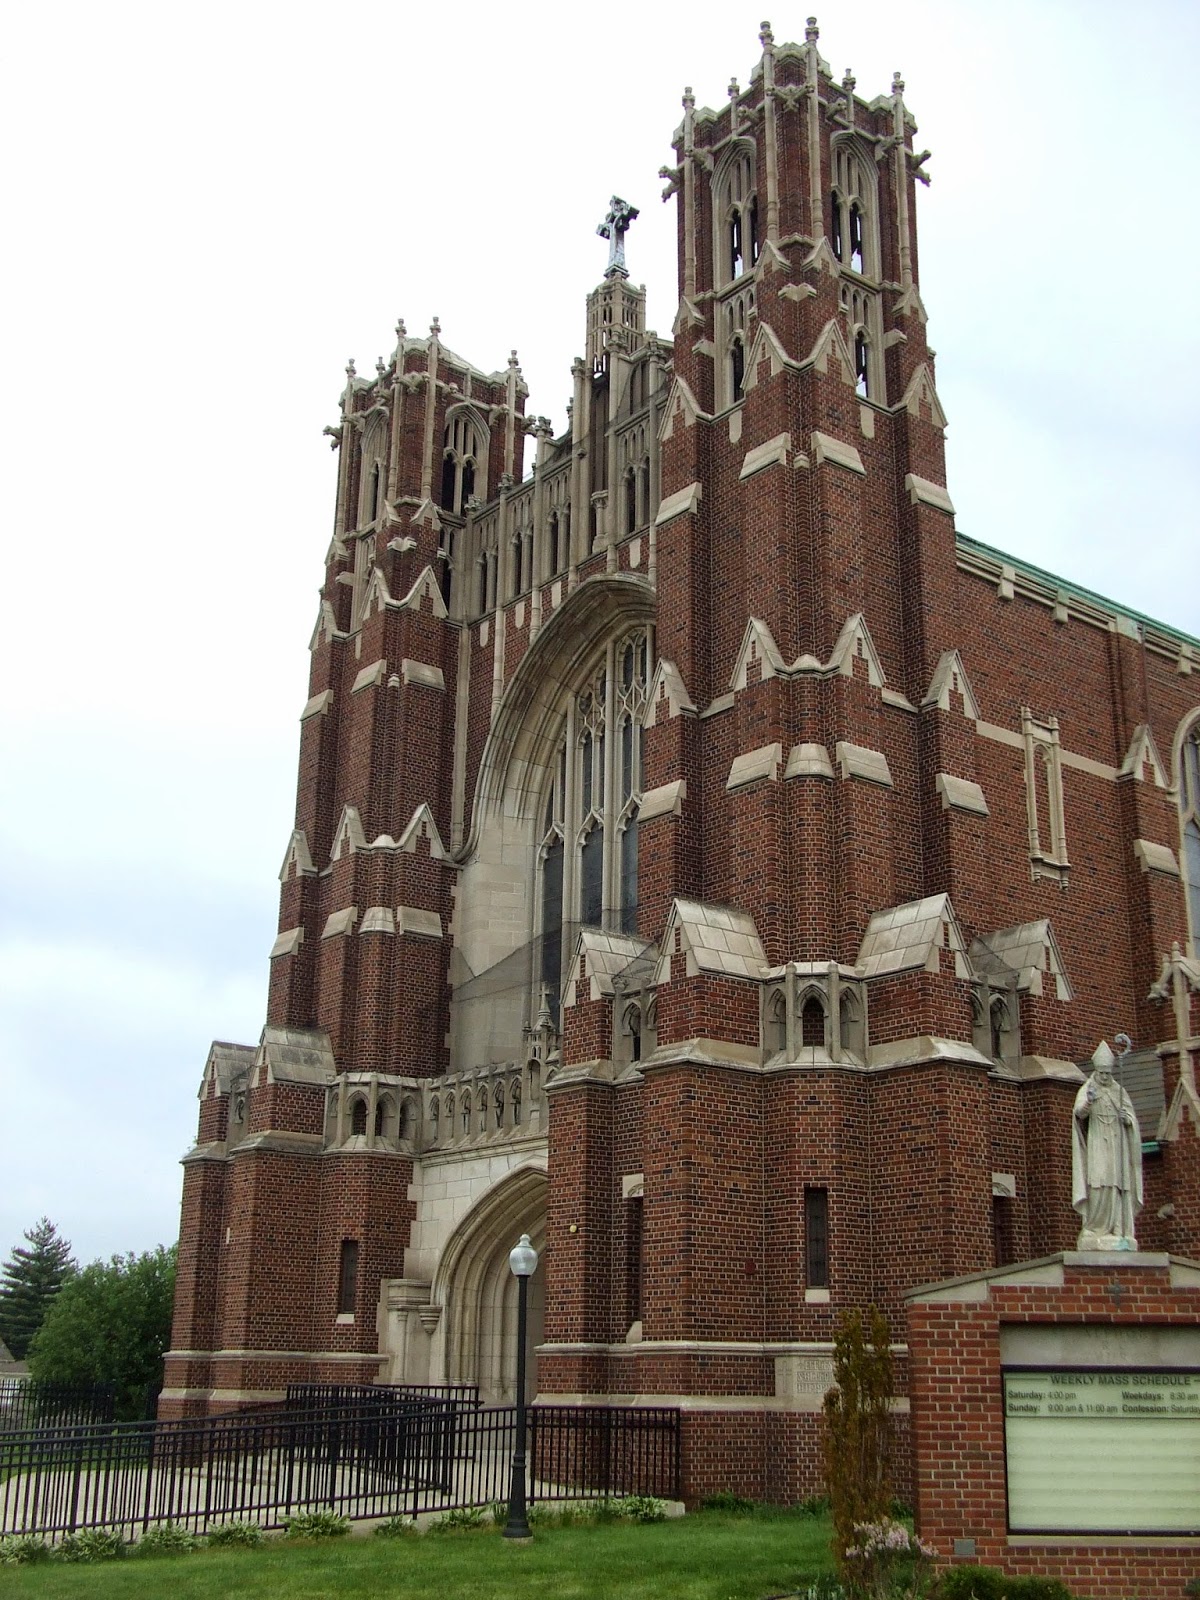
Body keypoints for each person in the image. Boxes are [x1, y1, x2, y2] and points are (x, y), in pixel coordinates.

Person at [1072, 1040, 1143, 1249]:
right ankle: (1095, 1226)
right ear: (1096, 1071)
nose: (1104, 1077)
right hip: (1097, 1142)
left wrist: (1127, 1119)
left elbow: (1131, 1117)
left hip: (1117, 1141)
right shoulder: (1088, 1089)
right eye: (1101, 1073)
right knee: (1099, 1182)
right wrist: (1089, 1102)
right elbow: (1079, 1114)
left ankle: (1119, 1228)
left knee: (1118, 1183)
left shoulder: (1118, 1091)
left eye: (1107, 1073)